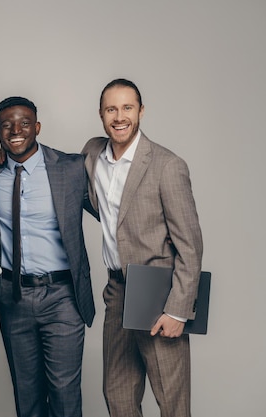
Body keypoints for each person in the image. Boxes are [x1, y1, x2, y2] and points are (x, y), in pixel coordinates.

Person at [81, 78, 203, 417]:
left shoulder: (167, 165)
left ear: (141, 112)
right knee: (117, 394)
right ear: (101, 115)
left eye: (127, 108)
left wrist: (178, 310)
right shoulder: (92, 154)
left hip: (158, 295)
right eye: (111, 109)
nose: (119, 117)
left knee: (171, 401)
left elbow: (190, 246)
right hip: (117, 292)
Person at [0, 97, 95, 417]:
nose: (16, 131)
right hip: (12, 296)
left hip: (62, 296)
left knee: (64, 392)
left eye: (24, 123)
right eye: (7, 126)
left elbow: (112, 207)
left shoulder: (70, 168)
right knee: (26, 395)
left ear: (37, 128)